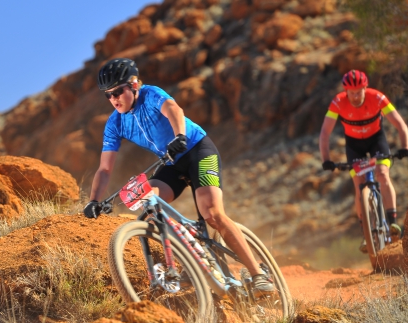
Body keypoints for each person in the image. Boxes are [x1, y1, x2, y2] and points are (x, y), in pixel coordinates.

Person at [82, 58, 275, 297]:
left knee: (212, 214)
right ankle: (189, 260)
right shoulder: (115, 123)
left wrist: (179, 135)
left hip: (196, 150)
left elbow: (174, 110)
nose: (113, 99)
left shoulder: (150, 94)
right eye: (107, 95)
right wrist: (93, 201)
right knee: (148, 202)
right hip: (171, 162)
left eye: (117, 91)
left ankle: (258, 275)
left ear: (133, 85)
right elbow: (105, 169)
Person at [319, 70, 408, 252]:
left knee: (383, 175)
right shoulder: (338, 102)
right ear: (345, 91)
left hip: (377, 141)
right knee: (359, 185)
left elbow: (399, 124)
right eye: (350, 93)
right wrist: (326, 160)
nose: (354, 96)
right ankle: (365, 233)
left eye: (358, 92)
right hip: (354, 146)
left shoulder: (377, 98)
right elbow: (325, 133)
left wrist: (404, 147)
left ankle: (393, 223)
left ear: (365, 88)